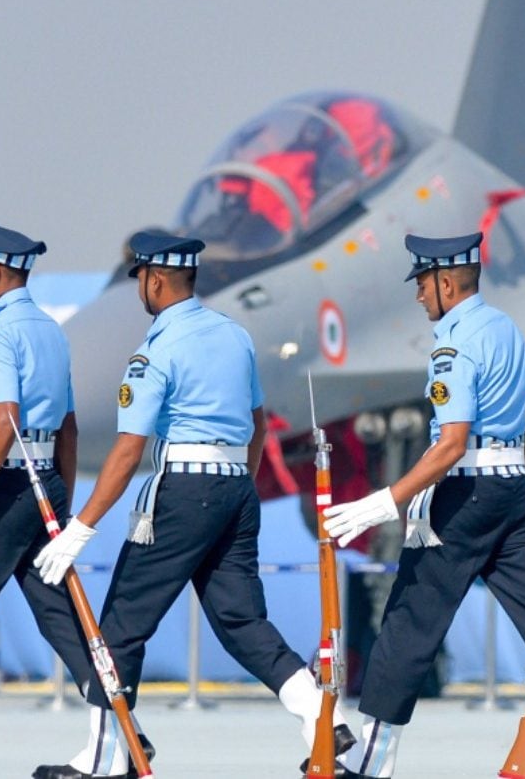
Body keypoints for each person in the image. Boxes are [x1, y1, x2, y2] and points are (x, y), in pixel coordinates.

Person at [31, 231, 347, 779]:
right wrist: (235, 493)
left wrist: (81, 527)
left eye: (141, 283)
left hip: (182, 491)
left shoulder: (158, 347)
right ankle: (323, 715)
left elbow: (129, 449)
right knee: (241, 619)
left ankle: (108, 756)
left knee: (121, 627)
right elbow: (256, 424)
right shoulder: (234, 336)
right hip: (233, 489)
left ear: (153, 279)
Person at [322, 232, 525, 779]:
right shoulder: (505, 328)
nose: (418, 296)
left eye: (423, 284)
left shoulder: (452, 344)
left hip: (465, 490)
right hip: (511, 488)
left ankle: (367, 759)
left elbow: (451, 443)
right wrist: (514, 480)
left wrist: (384, 501)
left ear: (447, 282)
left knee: (408, 620)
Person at [0, 220, 94, 778]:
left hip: (5, 484)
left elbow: (4, 418)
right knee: (58, 614)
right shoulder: (52, 330)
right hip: (44, 482)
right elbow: (70, 429)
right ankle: (118, 737)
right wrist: (61, 502)